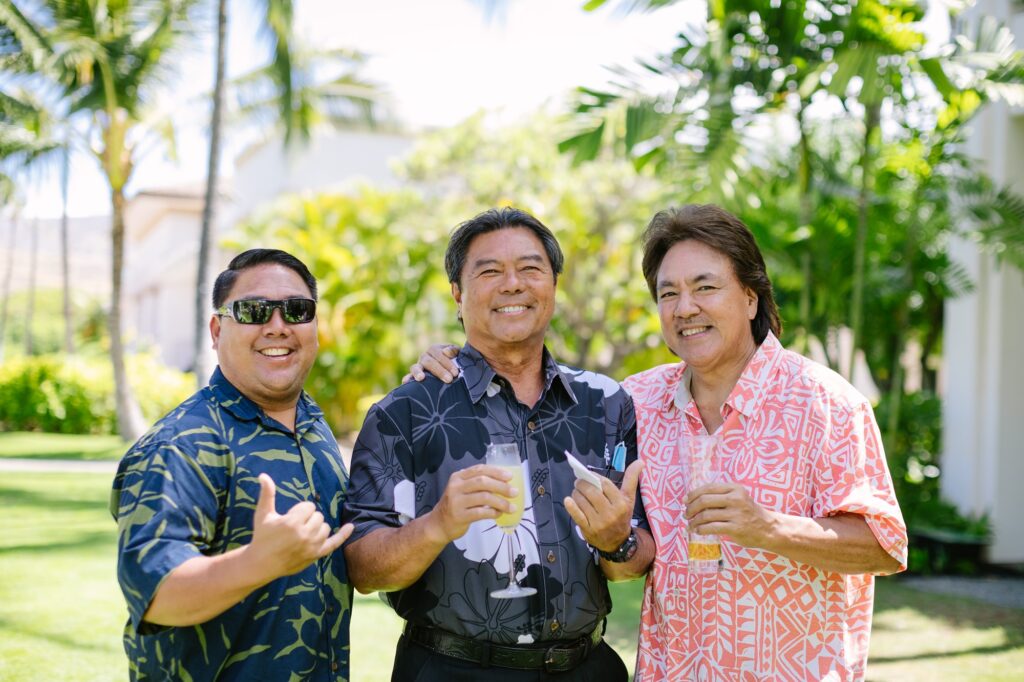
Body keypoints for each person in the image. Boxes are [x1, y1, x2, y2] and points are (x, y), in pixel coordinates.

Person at [409, 204, 908, 681]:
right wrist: (455, 362)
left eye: (705, 287)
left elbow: (885, 546)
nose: (685, 308)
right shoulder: (637, 401)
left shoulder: (825, 403)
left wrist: (770, 528)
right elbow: (525, 376)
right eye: (668, 294)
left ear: (751, 297)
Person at [342, 207, 654, 681]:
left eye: (531, 268)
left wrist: (617, 542)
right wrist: (439, 524)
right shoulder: (404, 413)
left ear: (553, 286)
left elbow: (633, 561)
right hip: (452, 670)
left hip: (588, 668)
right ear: (457, 294)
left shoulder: (607, 404)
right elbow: (363, 568)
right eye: (489, 271)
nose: (513, 284)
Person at [110, 248, 354, 681]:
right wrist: (259, 561)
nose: (277, 327)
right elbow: (157, 594)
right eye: (254, 311)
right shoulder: (180, 445)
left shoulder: (314, 428)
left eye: (297, 310)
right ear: (218, 329)